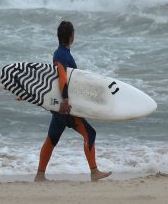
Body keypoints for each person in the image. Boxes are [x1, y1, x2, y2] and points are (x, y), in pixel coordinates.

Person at [34, 20, 111, 182]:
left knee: (52, 139)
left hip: (59, 108)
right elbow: (62, 77)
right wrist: (66, 99)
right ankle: (94, 172)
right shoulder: (62, 55)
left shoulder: (61, 53)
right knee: (89, 133)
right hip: (66, 107)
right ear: (71, 37)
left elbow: (58, 79)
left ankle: (40, 175)